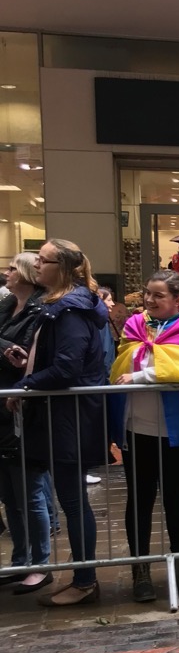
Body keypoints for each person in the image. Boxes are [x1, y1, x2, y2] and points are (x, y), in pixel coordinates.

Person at [15, 240, 110, 607]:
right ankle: (83, 577)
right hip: (64, 416)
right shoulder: (66, 304)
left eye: (43, 260)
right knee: (72, 500)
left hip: (68, 418)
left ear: (64, 268)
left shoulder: (70, 309)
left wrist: (25, 385)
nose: (36, 265)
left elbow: (67, 367)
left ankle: (85, 582)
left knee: (72, 502)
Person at [111, 270, 179, 602]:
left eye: (158, 295)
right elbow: (122, 363)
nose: (149, 300)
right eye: (148, 293)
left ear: (178, 300)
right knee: (139, 499)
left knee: (177, 497)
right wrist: (155, 364)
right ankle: (140, 570)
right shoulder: (135, 325)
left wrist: (144, 373)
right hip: (137, 426)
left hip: (176, 429)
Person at [0, 254, 49, 594]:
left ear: (29, 275)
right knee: (9, 494)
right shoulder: (7, 307)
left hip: (22, 408)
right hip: (3, 408)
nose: (7, 272)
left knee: (29, 493)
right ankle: (21, 560)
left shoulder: (40, 310)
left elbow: (28, 355)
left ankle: (41, 564)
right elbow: (12, 350)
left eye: (13, 268)